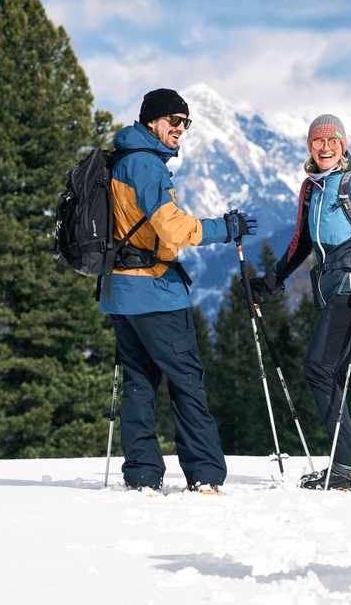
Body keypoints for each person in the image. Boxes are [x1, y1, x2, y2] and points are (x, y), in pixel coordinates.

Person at [102, 88, 257, 494]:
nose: (180, 129)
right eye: (174, 121)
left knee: (138, 381)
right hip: (154, 290)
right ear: (152, 121)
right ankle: (205, 473)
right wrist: (224, 228)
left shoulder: (120, 159)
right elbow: (171, 226)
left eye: (186, 122)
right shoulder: (148, 165)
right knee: (186, 379)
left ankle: (141, 476)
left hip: (119, 291)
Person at [248, 115, 351, 492]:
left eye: (332, 141)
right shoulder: (311, 188)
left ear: (343, 145)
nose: (324, 148)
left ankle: (346, 468)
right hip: (333, 288)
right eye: (317, 142)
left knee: (318, 369)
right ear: (309, 147)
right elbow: (302, 240)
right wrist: (273, 280)